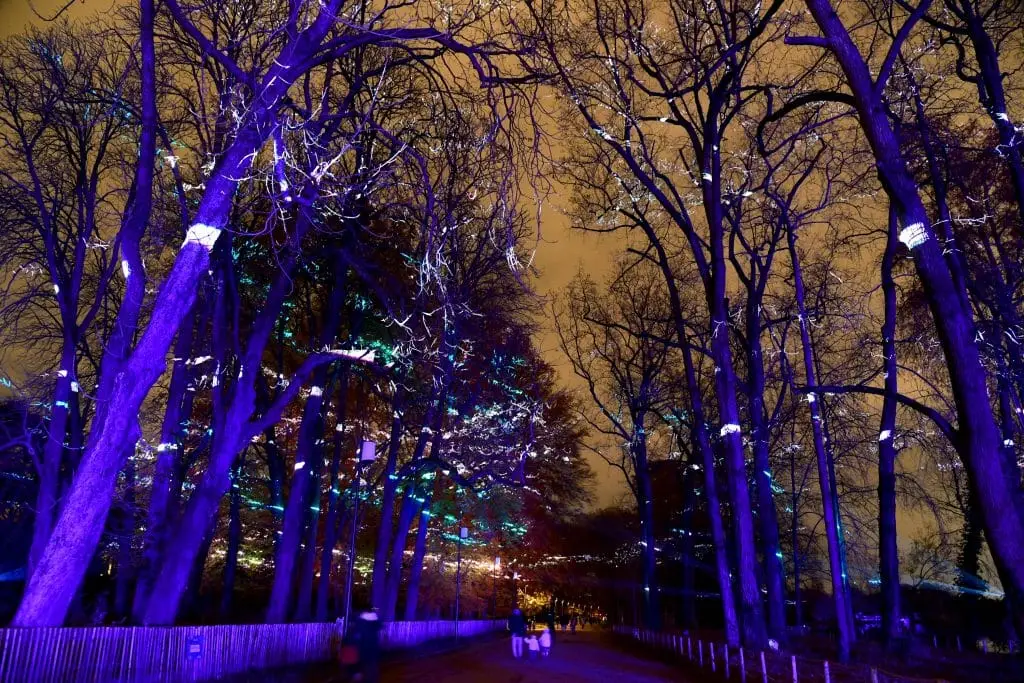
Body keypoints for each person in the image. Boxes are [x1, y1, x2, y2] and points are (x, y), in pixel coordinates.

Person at [348, 610, 381, 683]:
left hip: (366, 657)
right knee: (369, 676)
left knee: (369, 676)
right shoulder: (366, 628)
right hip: (365, 658)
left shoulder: (363, 627)